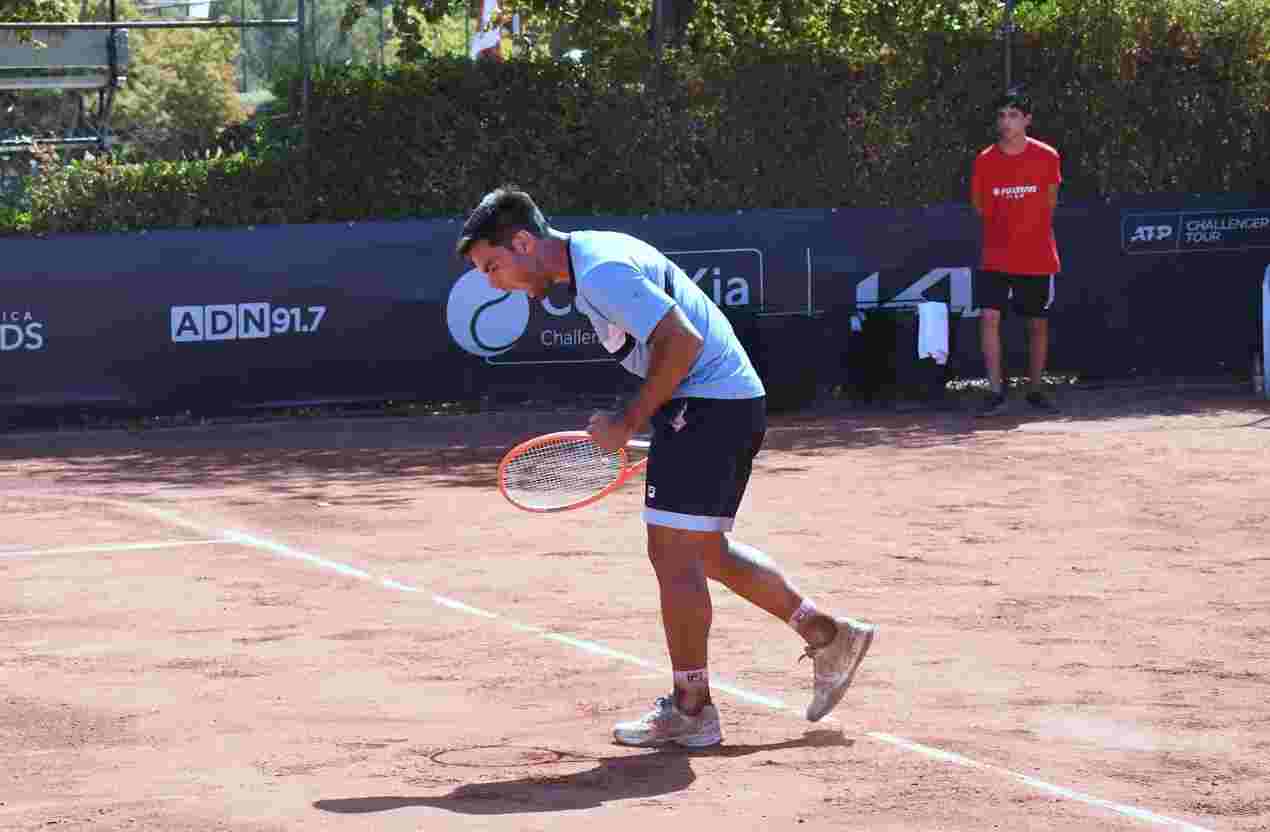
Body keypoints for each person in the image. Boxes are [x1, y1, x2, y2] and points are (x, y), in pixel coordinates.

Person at [456, 186, 876, 747]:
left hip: (710, 405)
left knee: (673, 553)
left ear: (524, 243)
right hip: (712, 403)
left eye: (493, 266)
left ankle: (692, 709)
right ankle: (828, 637)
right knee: (704, 551)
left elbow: (682, 340)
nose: (493, 282)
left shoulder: (601, 271)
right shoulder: (591, 261)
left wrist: (629, 420)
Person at [970, 88, 1062, 416]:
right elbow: (980, 206)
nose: (1006, 121)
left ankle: (1035, 389)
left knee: (1037, 324)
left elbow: (1050, 201)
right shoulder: (984, 160)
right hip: (996, 255)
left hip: (1036, 255)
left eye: (1013, 115)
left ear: (1027, 120)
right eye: (1001, 115)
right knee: (989, 317)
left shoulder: (1047, 156)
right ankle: (995, 392)